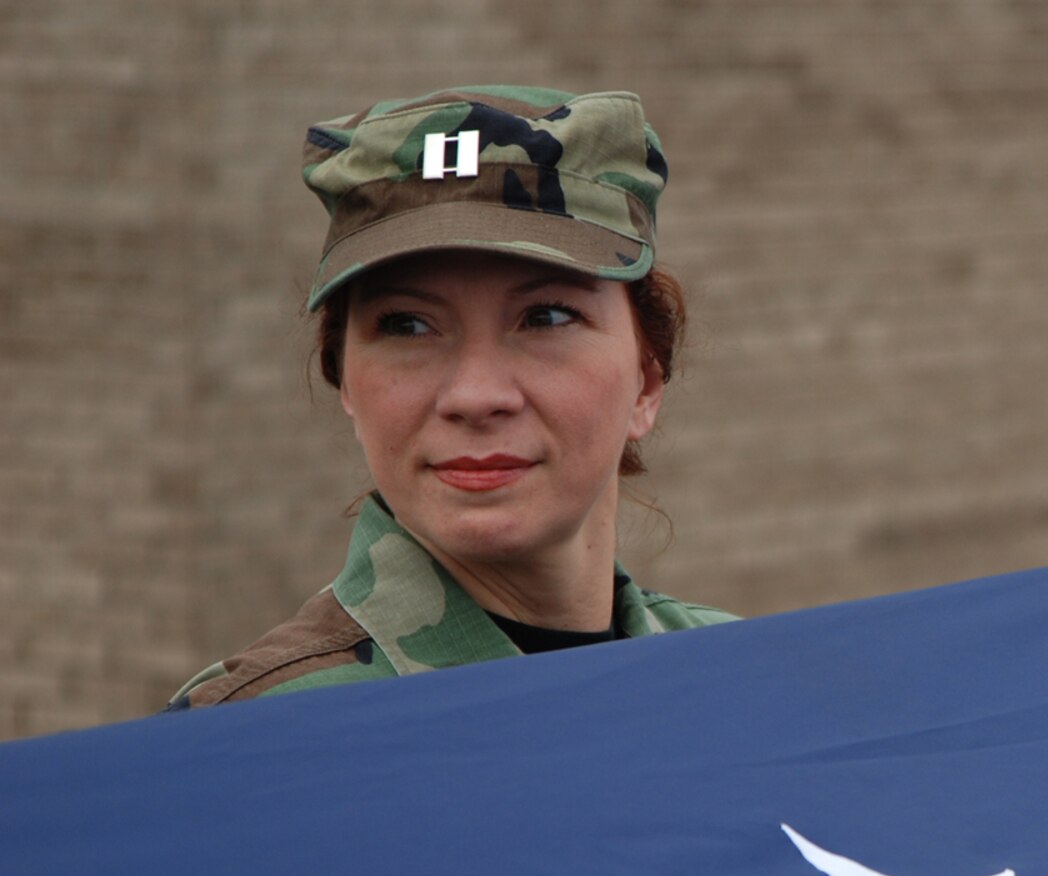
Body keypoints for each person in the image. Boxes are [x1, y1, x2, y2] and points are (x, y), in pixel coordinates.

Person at [170, 85, 734, 710]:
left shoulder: (742, 686)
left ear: (647, 381)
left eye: (545, 317)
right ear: (346, 381)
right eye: (407, 325)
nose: (475, 395)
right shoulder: (244, 743)